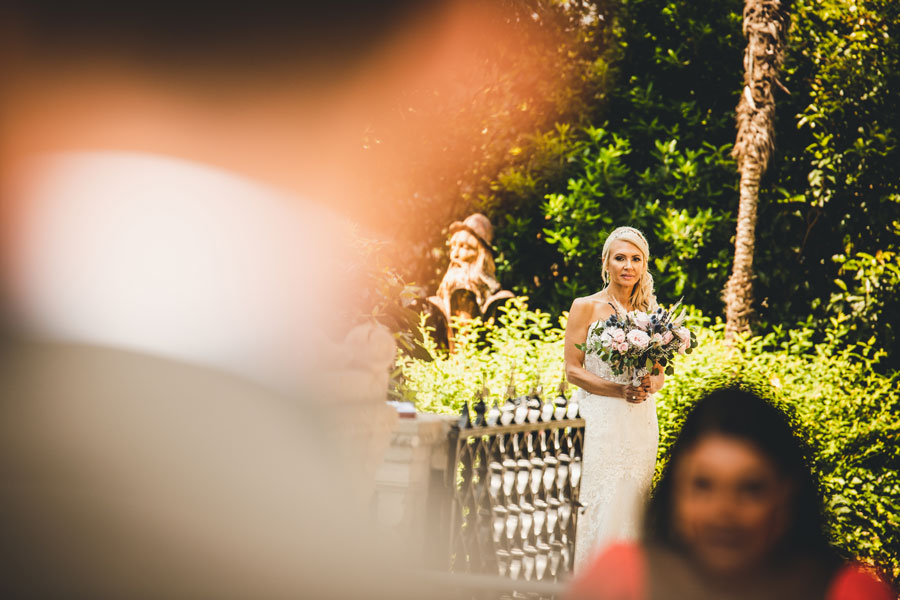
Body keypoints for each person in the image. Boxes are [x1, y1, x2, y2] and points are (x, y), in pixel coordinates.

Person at [567, 387, 896, 600]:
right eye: (703, 485)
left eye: (750, 489)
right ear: (675, 492)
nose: (723, 511)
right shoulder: (622, 578)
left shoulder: (848, 592)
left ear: (786, 495)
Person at [564, 226, 665, 570]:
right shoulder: (585, 306)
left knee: (632, 500)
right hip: (600, 419)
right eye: (620, 258)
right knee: (597, 497)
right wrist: (618, 390)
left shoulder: (652, 313)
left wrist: (650, 383)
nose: (628, 266)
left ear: (644, 265)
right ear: (606, 262)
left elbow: (661, 374)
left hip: (639, 421)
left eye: (636, 259)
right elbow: (573, 371)